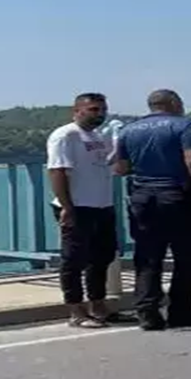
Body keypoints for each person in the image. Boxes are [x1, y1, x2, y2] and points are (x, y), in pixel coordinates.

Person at [112, 89, 191, 331]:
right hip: (178, 196)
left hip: (142, 198)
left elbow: (121, 168)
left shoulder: (128, 130)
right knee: (185, 257)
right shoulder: (185, 126)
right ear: (174, 103)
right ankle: (180, 310)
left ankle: (147, 312)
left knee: (147, 257)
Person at [46, 93, 117, 328]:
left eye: (102, 110)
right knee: (74, 260)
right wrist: (67, 207)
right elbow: (57, 172)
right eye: (93, 109)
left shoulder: (97, 136)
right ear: (77, 111)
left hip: (102, 205)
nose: (100, 114)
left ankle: (98, 306)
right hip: (78, 206)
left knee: (102, 257)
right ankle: (76, 311)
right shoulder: (66, 135)